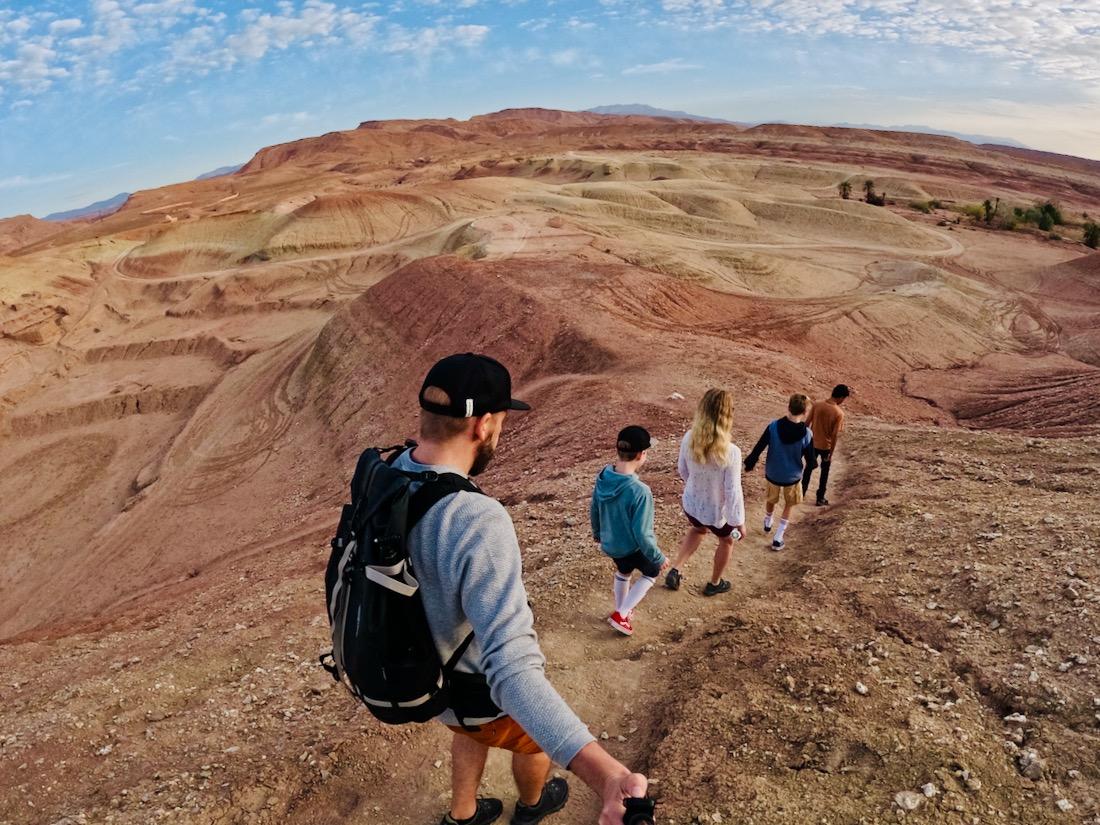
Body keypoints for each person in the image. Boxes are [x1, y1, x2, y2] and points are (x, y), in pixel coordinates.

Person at [393, 353, 648, 825]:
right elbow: (510, 671)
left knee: (470, 731)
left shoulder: (385, 473)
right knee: (532, 737)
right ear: (483, 425)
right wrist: (606, 775)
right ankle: (532, 807)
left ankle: (463, 815)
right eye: (502, 422)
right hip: (473, 686)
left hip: (425, 676)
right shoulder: (473, 518)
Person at [664, 389, 746, 596]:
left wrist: (696, 487)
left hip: (692, 504)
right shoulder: (731, 452)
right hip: (718, 512)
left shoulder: (689, 437)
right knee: (727, 541)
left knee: (698, 530)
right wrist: (739, 521)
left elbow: (682, 470)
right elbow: (733, 490)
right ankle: (715, 583)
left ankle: (676, 569)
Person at [590, 425, 668, 636]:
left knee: (624, 571)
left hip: (610, 544)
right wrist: (658, 557)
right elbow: (642, 533)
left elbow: (594, 508)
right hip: (631, 546)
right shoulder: (640, 491)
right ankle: (622, 614)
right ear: (642, 455)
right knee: (651, 571)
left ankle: (620, 609)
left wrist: (597, 533)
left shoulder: (604, 477)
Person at [743, 393, 817, 551]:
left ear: (788, 407)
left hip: (773, 473)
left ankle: (768, 521)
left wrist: (750, 462)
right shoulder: (807, 434)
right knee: (789, 504)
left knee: (771, 498)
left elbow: (759, 447)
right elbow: (811, 460)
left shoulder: (773, 426)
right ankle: (778, 537)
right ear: (805, 413)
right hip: (793, 477)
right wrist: (813, 465)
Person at [802, 384, 850, 506]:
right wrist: (831, 453)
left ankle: (801, 493)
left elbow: (806, 424)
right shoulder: (839, 413)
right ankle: (820, 498)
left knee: (808, 468)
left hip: (812, 443)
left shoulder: (817, 405)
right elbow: (834, 435)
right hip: (826, 447)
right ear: (841, 397)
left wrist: (802, 441)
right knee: (824, 473)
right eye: (844, 399)